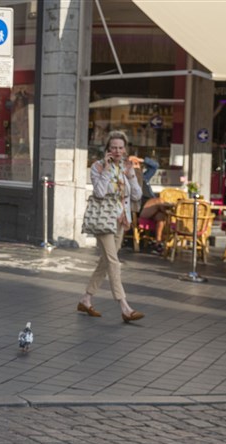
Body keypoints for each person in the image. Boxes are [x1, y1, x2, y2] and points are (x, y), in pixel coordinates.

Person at [77, 130, 145, 323]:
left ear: (125, 150)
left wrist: (131, 176)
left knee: (106, 262)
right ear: (107, 149)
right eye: (113, 147)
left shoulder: (126, 168)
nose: (117, 151)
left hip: (120, 221)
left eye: (120, 148)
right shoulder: (97, 167)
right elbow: (99, 193)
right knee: (114, 262)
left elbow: (136, 196)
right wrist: (107, 170)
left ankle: (86, 299)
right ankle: (125, 307)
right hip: (103, 221)